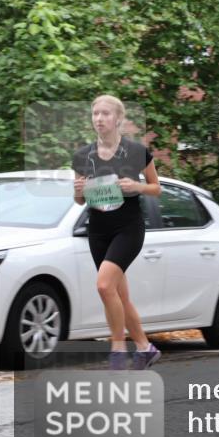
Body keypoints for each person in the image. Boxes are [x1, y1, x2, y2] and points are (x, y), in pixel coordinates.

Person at [72, 95, 162, 370]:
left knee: (103, 285)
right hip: (98, 230)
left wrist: (137, 187)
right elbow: (80, 201)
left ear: (118, 119)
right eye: (95, 113)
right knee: (119, 296)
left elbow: (156, 187)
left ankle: (118, 348)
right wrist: (78, 193)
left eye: (105, 114)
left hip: (128, 228)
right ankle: (146, 348)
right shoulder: (82, 156)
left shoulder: (135, 152)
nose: (99, 118)